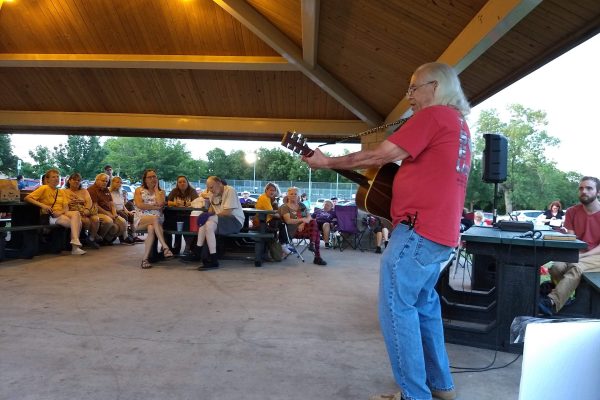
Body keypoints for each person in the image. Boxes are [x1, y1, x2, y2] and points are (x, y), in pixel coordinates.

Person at [303, 62, 470, 400]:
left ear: (435, 87)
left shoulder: (434, 116)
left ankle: (414, 394)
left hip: (417, 231)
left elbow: (382, 154)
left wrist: (327, 161)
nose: (408, 95)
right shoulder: (459, 124)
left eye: (413, 87)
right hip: (440, 234)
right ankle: (440, 386)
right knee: (424, 306)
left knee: (397, 310)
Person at [538, 177, 600, 316]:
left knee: (576, 267)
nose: (584, 191)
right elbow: (572, 239)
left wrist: (581, 256)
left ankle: (551, 303)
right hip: (577, 252)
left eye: (589, 188)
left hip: (596, 255)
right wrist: (574, 254)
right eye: (581, 188)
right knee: (555, 268)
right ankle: (564, 296)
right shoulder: (572, 211)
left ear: (598, 192)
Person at [24, 169, 87, 255]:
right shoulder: (44, 188)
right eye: (53, 177)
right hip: (49, 215)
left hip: (60, 213)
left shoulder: (60, 191)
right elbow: (27, 198)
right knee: (78, 223)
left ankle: (75, 241)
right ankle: (75, 247)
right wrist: (43, 205)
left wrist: (60, 212)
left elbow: (66, 207)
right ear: (47, 179)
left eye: (57, 176)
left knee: (76, 214)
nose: (56, 178)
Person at [190, 176, 244, 270]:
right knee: (208, 224)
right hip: (219, 221)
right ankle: (213, 259)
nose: (210, 190)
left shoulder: (230, 190)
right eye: (208, 188)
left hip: (235, 221)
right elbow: (211, 211)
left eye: (212, 187)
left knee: (208, 220)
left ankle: (198, 251)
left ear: (219, 184)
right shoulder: (212, 194)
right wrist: (208, 214)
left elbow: (228, 212)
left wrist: (208, 215)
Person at [134, 169, 173, 269]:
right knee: (154, 218)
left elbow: (160, 204)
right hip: (141, 218)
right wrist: (155, 207)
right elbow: (140, 205)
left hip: (157, 220)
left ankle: (145, 259)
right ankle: (165, 247)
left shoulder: (161, 192)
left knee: (151, 228)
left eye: (154, 176)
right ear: (145, 180)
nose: (152, 179)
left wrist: (156, 189)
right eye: (150, 177)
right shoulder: (139, 190)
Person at [279, 187, 327, 266]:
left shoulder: (301, 205)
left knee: (313, 222)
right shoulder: (285, 207)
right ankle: (317, 256)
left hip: (305, 229)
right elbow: (288, 221)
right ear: (288, 195)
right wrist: (303, 220)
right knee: (316, 232)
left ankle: (312, 244)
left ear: (298, 196)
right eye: (291, 194)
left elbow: (309, 217)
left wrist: (303, 223)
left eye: (295, 194)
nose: (293, 195)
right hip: (293, 231)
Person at [64, 172, 101, 249]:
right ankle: (81, 238)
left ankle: (91, 238)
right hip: (73, 212)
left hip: (85, 211)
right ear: (69, 181)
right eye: (74, 180)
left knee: (96, 219)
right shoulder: (64, 191)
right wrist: (73, 202)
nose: (76, 181)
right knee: (86, 221)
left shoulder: (84, 191)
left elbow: (89, 201)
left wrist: (87, 209)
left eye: (78, 180)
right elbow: (64, 203)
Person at [166, 175, 199, 254]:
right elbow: (167, 202)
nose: (182, 183)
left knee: (187, 225)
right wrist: (175, 203)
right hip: (176, 215)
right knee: (167, 224)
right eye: (180, 182)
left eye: (184, 181)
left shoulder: (192, 191)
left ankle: (188, 246)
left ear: (187, 182)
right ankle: (171, 248)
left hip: (188, 215)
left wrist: (188, 203)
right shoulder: (174, 191)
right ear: (177, 184)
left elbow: (198, 202)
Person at [87, 173, 120, 244]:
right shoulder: (91, 189)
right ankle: (99, 239)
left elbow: (112, 203)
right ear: (97, 180)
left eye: (106, 181)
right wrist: (108, 214)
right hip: (97, 212)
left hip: (109, 212)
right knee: (109, 221)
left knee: (121, 223)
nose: (105, 183)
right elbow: (96, 206)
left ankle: (106, 239)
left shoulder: (106, 189)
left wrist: (114, 213)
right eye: (103, 181)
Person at [109, 176, 135, 244]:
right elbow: (111, 204)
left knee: (131, 216)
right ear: (113, 183)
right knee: (124, 216)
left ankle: (134, 236)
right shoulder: (109, 192)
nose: (119, 184)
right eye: (117, 182)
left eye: (121, 183)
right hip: (114, 210)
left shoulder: (120, 192)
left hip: (121, 209)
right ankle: (125, 237)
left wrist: (128, 211)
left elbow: (122, 204)